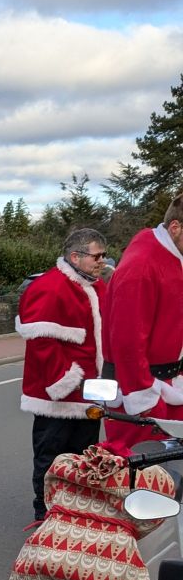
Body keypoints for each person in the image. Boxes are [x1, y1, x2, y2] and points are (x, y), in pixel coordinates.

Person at [17, 227, 109, 521]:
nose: (102, 261)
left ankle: (77, 510)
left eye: (103, 255)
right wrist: (65, 379)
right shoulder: (50, 287)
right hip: (57, 393)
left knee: (84, 455)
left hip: (88, 391)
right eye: (97, 256)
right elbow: (40, 341)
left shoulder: (96, 287)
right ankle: (45, 513)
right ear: (75, 256)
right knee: (51, 456)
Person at [102, 193, 183, 456]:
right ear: (175, 227)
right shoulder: (142, 265)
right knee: (145, 469)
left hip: (167, 387)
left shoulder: (168, 256)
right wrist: (146, 399)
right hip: (142, 394)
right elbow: (127, 339)